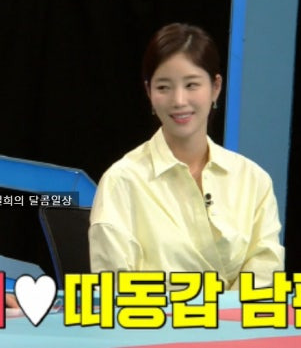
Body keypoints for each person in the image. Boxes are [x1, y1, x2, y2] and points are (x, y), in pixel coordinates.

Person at [88, 23, 284, 290]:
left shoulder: (253, 180)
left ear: (216, 87)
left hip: (238, 318)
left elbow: (264, 275)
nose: (179, 100)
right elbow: (114, 287)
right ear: (148, 92)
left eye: (192, 85)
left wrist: (223, 313)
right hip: (150, 317)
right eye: (164, 87)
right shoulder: (122, 181)